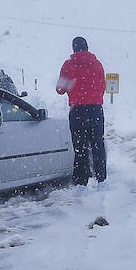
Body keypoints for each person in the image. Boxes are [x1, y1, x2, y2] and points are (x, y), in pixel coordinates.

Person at [56, 36, 106, 185]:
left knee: (80, 147)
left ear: (73, 48)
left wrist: (73, 86)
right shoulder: (97, 65)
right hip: (95, 110)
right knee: (98, 145)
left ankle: (81, 182)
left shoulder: (68, 65)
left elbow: (59, 89)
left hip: (77, 111)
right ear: (87, 47)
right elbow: (102, 86)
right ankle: (101, 179)